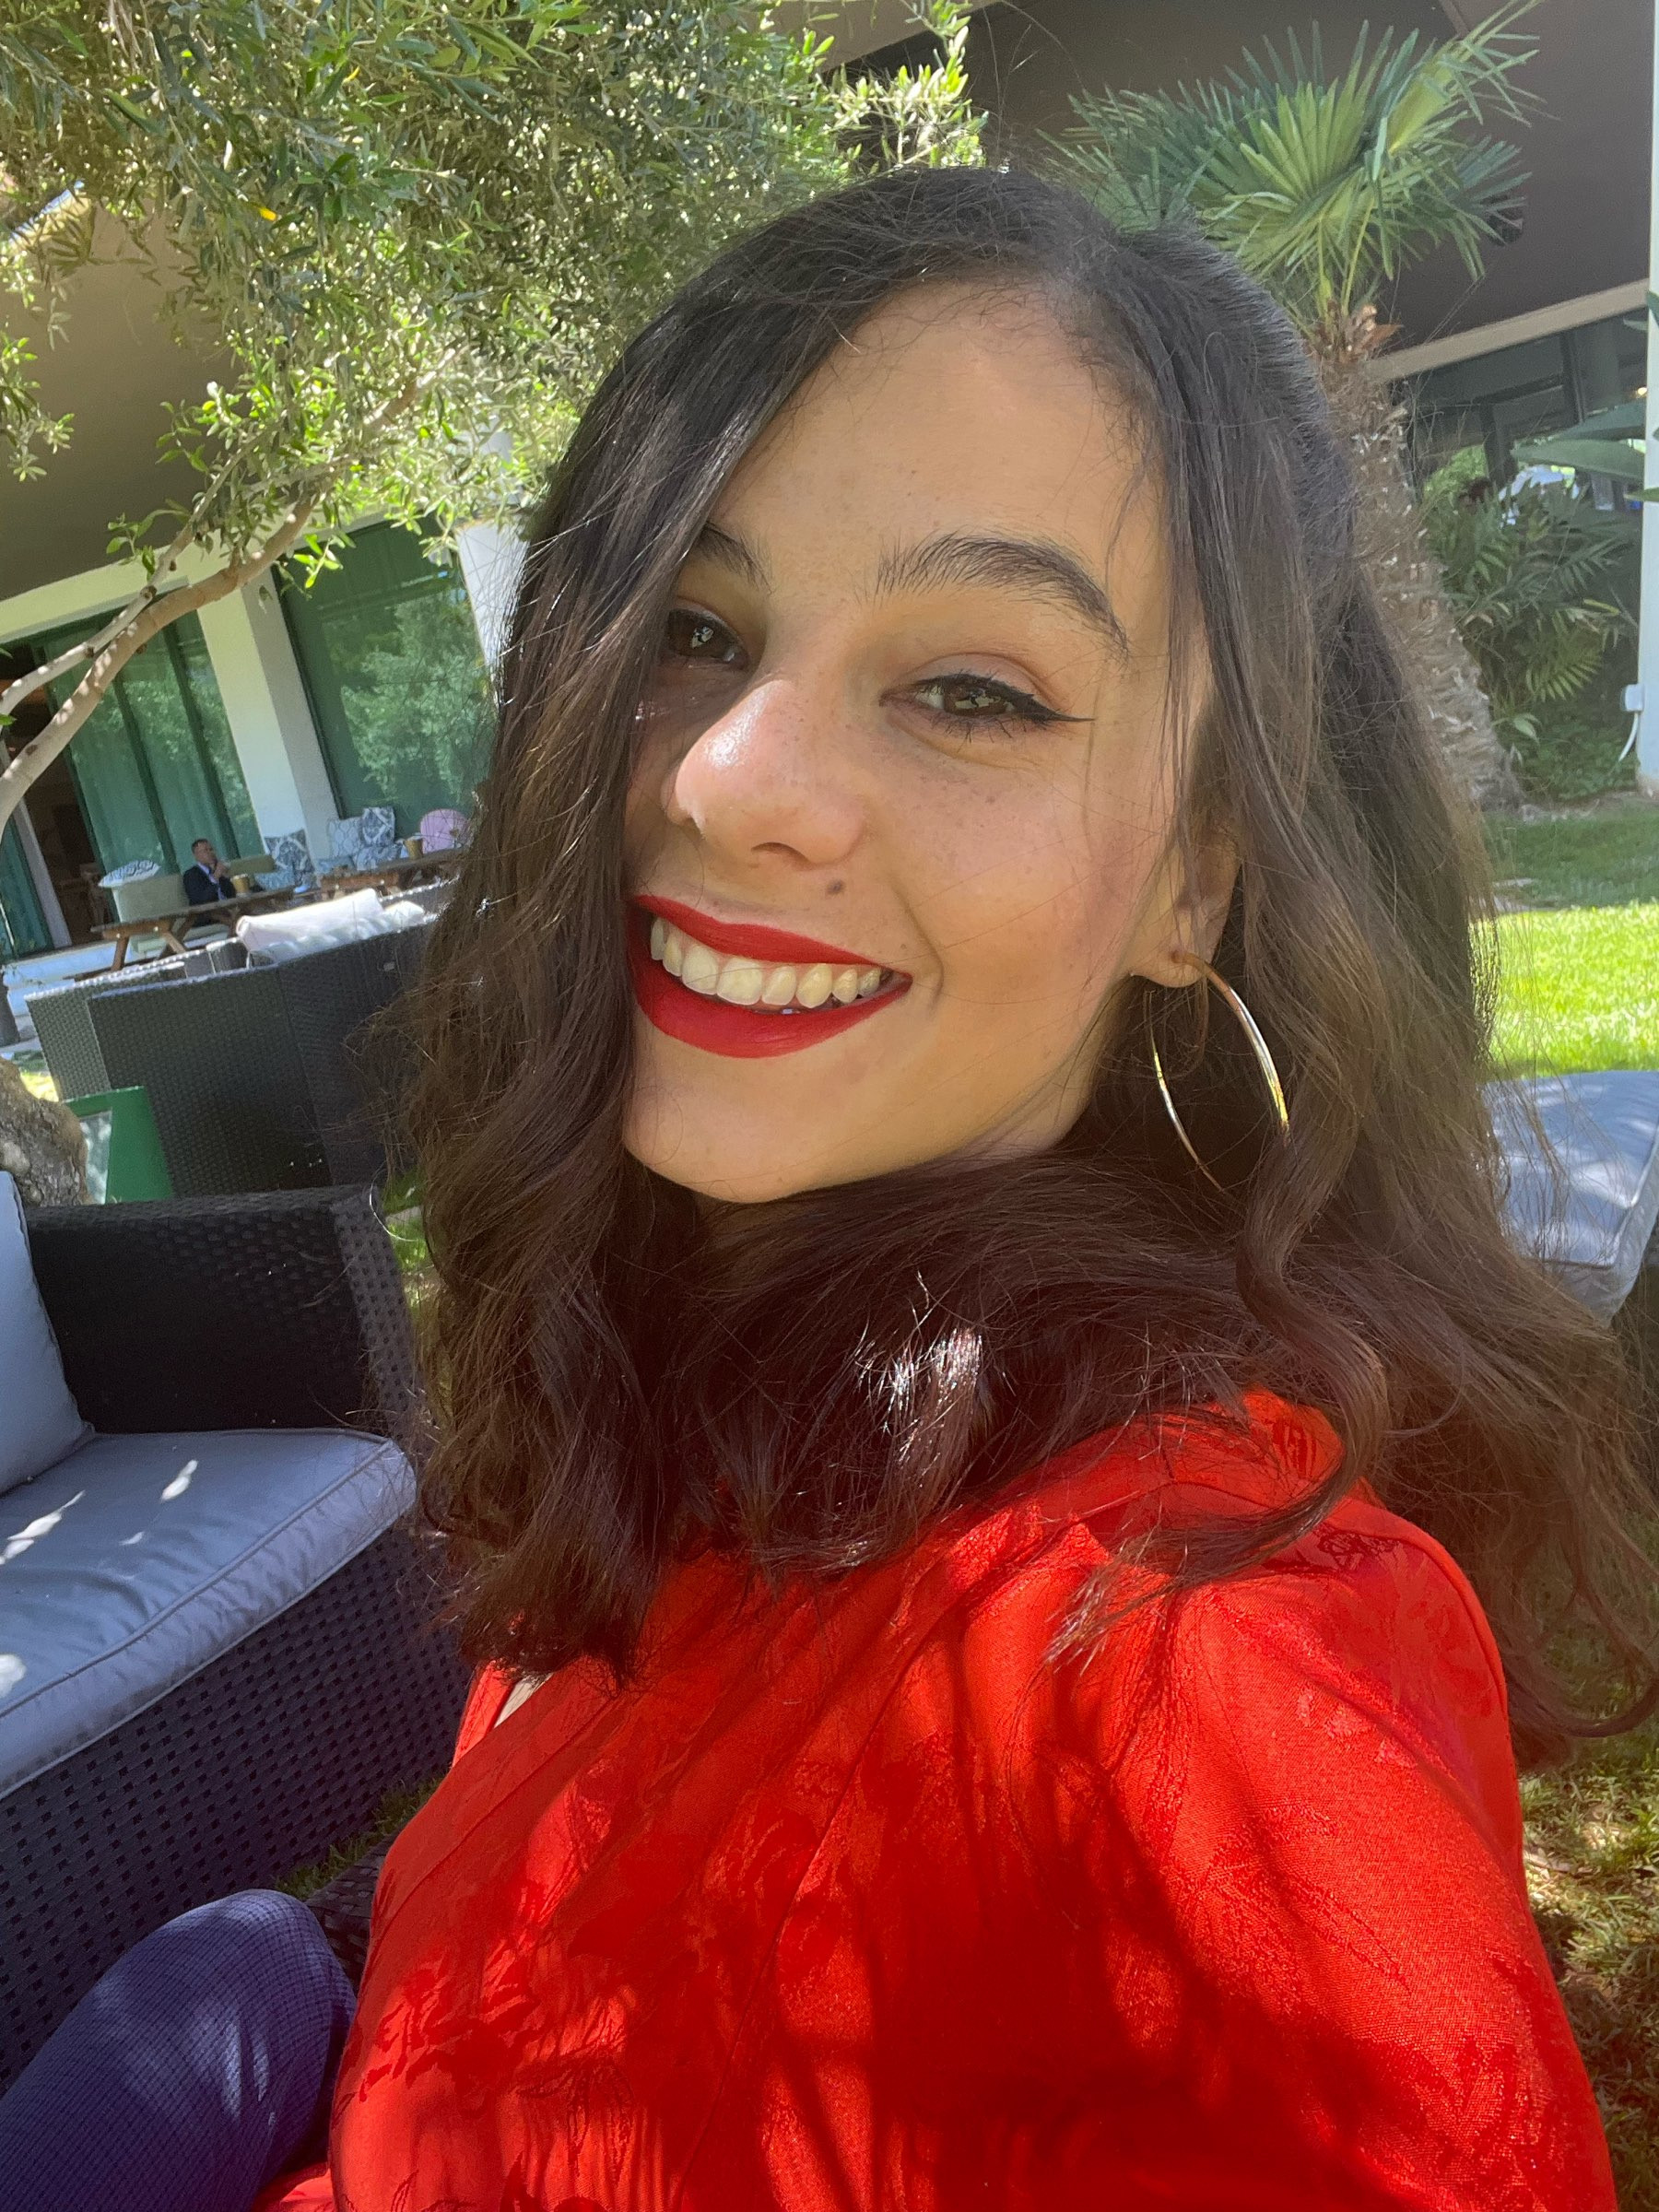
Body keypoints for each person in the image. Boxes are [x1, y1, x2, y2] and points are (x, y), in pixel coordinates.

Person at [1, 169, 1649, 2212]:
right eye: (695, 630)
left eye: (974, 690)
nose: (728, 776)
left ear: (1200, 871)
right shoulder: (705, 1388)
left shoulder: (1204, 1692)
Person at [182, 838, 237, 903]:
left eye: (211, 849)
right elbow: (201, 899)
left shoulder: (217, 868)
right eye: (205, 850)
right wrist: (216, 877)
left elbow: (232, 894)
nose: (210, 853)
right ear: (196, 855)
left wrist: (225, 876)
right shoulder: (191, 875)